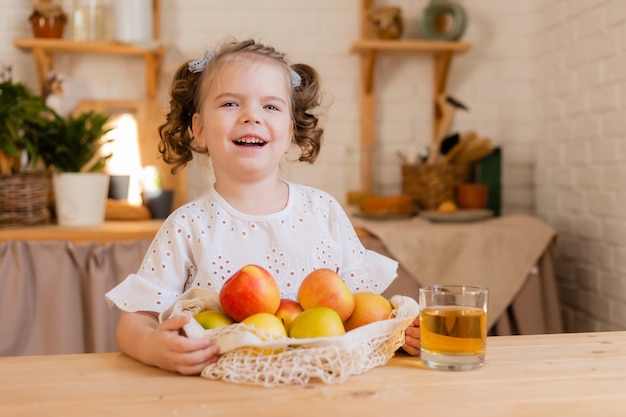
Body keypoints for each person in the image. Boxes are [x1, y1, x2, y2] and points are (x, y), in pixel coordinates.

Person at [106, 38, 420, 375]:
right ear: (199, 130)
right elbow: (133, 324)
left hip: (320, 390)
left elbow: (362, 317)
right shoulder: (187, 225)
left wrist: (402, 335)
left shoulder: (323, 211)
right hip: (220, 391)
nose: (251, 116)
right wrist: (152, 347)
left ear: (289, 133)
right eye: (229, 104)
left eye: (270, 107)